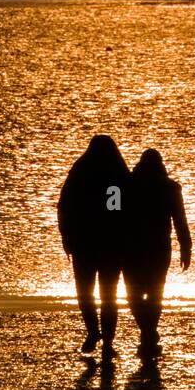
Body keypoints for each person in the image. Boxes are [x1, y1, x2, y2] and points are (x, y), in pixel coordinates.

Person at [57, 135, 130, 356]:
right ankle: (106, 340)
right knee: (109, 294)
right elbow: (117, 210)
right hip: (110, 244)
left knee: (85, 292)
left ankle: (94, 333)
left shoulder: (79, 172)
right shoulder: (116, 174)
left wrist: (66, 238)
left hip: (84, 243)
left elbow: (64, 208)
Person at [123, 149, 191, 357]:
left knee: (133, 294)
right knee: (155, 292)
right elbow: (180, 220)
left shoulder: (122, 186)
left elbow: (112, 215)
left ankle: (147, 332)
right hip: (159, 248)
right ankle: (149, 332)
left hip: (129, 248)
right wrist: (186, 247)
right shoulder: (171, 188)